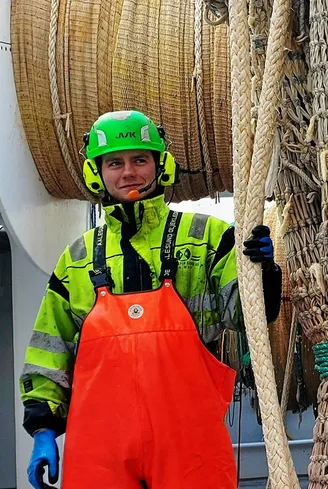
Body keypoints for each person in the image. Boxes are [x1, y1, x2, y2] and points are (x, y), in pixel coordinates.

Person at [20, 110, 283, 489]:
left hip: (189, 446)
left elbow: (249, 317)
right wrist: (43, 428)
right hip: (101, 451)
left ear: (161, 166)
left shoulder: (209, 237)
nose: (128, 172)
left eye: (140, 159)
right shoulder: (75, 260)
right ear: (97, 172)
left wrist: (264, 272)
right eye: (115, 162)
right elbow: (49, 348)